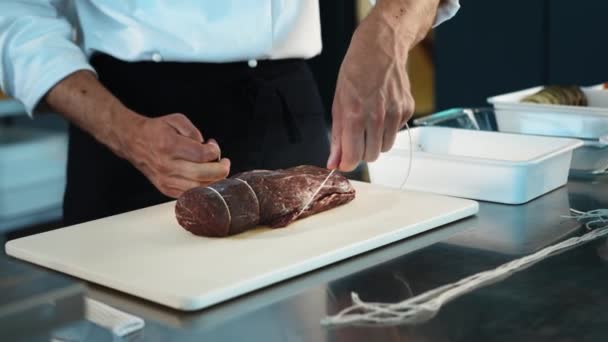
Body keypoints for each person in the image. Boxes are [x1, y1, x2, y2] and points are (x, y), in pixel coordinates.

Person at [0, 0, 459, 225]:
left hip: (287, 120)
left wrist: (387, 32)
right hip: (127, 131)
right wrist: (126, 133)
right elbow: (17, 14)